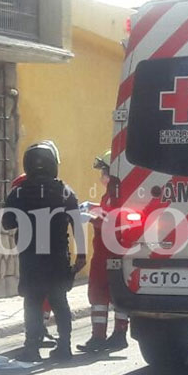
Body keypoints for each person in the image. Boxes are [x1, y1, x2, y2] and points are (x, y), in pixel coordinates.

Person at [3, 142, 87, 362]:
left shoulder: (18, 192)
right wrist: (82, 255)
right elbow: (77, 225)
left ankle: (31, 349)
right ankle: (65, 347)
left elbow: (7, 223)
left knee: (32, 301)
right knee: (59, 301)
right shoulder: (66, 191)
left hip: (31, 257)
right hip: (58, 256)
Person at [76, 150, 130, 353]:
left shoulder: (121, 193)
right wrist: (93, 207)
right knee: (99, 293)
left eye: (104, 172)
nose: (101, 177)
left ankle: (115, 335)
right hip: (104, 251)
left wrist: (91, 218)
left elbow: (115, 220)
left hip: (112, 251)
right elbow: (108, 210)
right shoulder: (112, 193)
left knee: (112, 293)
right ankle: (100, 336)